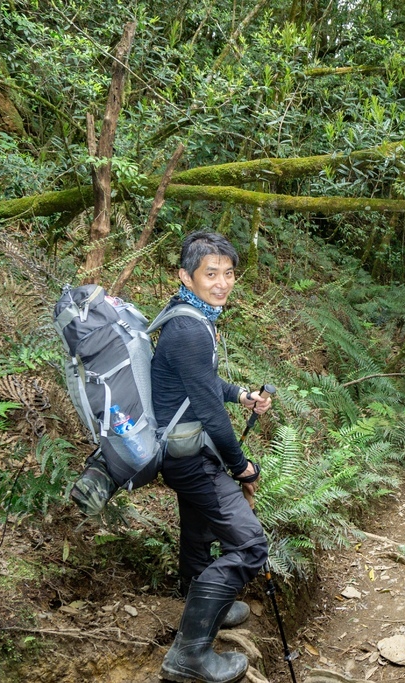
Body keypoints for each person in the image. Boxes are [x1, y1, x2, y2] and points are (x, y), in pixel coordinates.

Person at [152, 231, 273, 683]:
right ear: (186, 276)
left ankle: (199, 596)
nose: (222, 283)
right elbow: (208, 412)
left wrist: (241, 395)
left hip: (181, 447)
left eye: (228, 273)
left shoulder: (190, 316)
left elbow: (203, 383)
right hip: (187, 456)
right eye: (211, 274)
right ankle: (189, 653)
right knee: (249, 544)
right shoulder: (190, 330)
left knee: (199, 524)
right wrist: (242, 466)